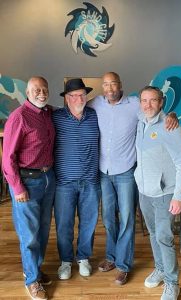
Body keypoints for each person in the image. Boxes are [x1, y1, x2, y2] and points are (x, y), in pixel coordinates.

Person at [88, 72, 178, 285]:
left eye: (113, 84)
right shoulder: (96, 103)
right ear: (102, 87)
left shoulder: (135, 104)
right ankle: (111, 257)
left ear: (121, 85)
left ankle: (124, 265)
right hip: (104, 172)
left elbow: (154, 110)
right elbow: (74, 105)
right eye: (106, 85)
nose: (109, 88)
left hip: (126, 172)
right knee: (109, 217)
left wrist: (171, 114)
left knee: (128, 218)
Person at [2, 77, 56, 300]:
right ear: (27, 92)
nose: (41, 93)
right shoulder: (19, 117)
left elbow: (76, 105)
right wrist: (17, 187)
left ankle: (35, 269)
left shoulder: (48, 113)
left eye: (44, 89)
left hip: (48, 179)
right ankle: (31, 280)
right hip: (27, 182)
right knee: (29, 234)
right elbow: (7, 159)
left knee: (42, 231)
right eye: (36, 90)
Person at [134, 86, 181, 300]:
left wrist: (178, 196)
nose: (148, 105)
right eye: (144, 100)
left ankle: (172, 283)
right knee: (154, 235)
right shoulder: (141, 121)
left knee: (165, 238)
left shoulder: (171, 127)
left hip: (165, 194)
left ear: (162, 102)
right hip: (145, 192)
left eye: (153, 100)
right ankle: (160, 269)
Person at [52, 78, 100, 280]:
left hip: (91, 181)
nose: (79, 98)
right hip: (64, 182)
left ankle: (83, 258)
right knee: (64, 224)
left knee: (88, 223)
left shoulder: (96, 116)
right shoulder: (56, 118)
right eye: (74, 95)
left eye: (82, 94)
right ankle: (65, 261)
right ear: (67, 98)